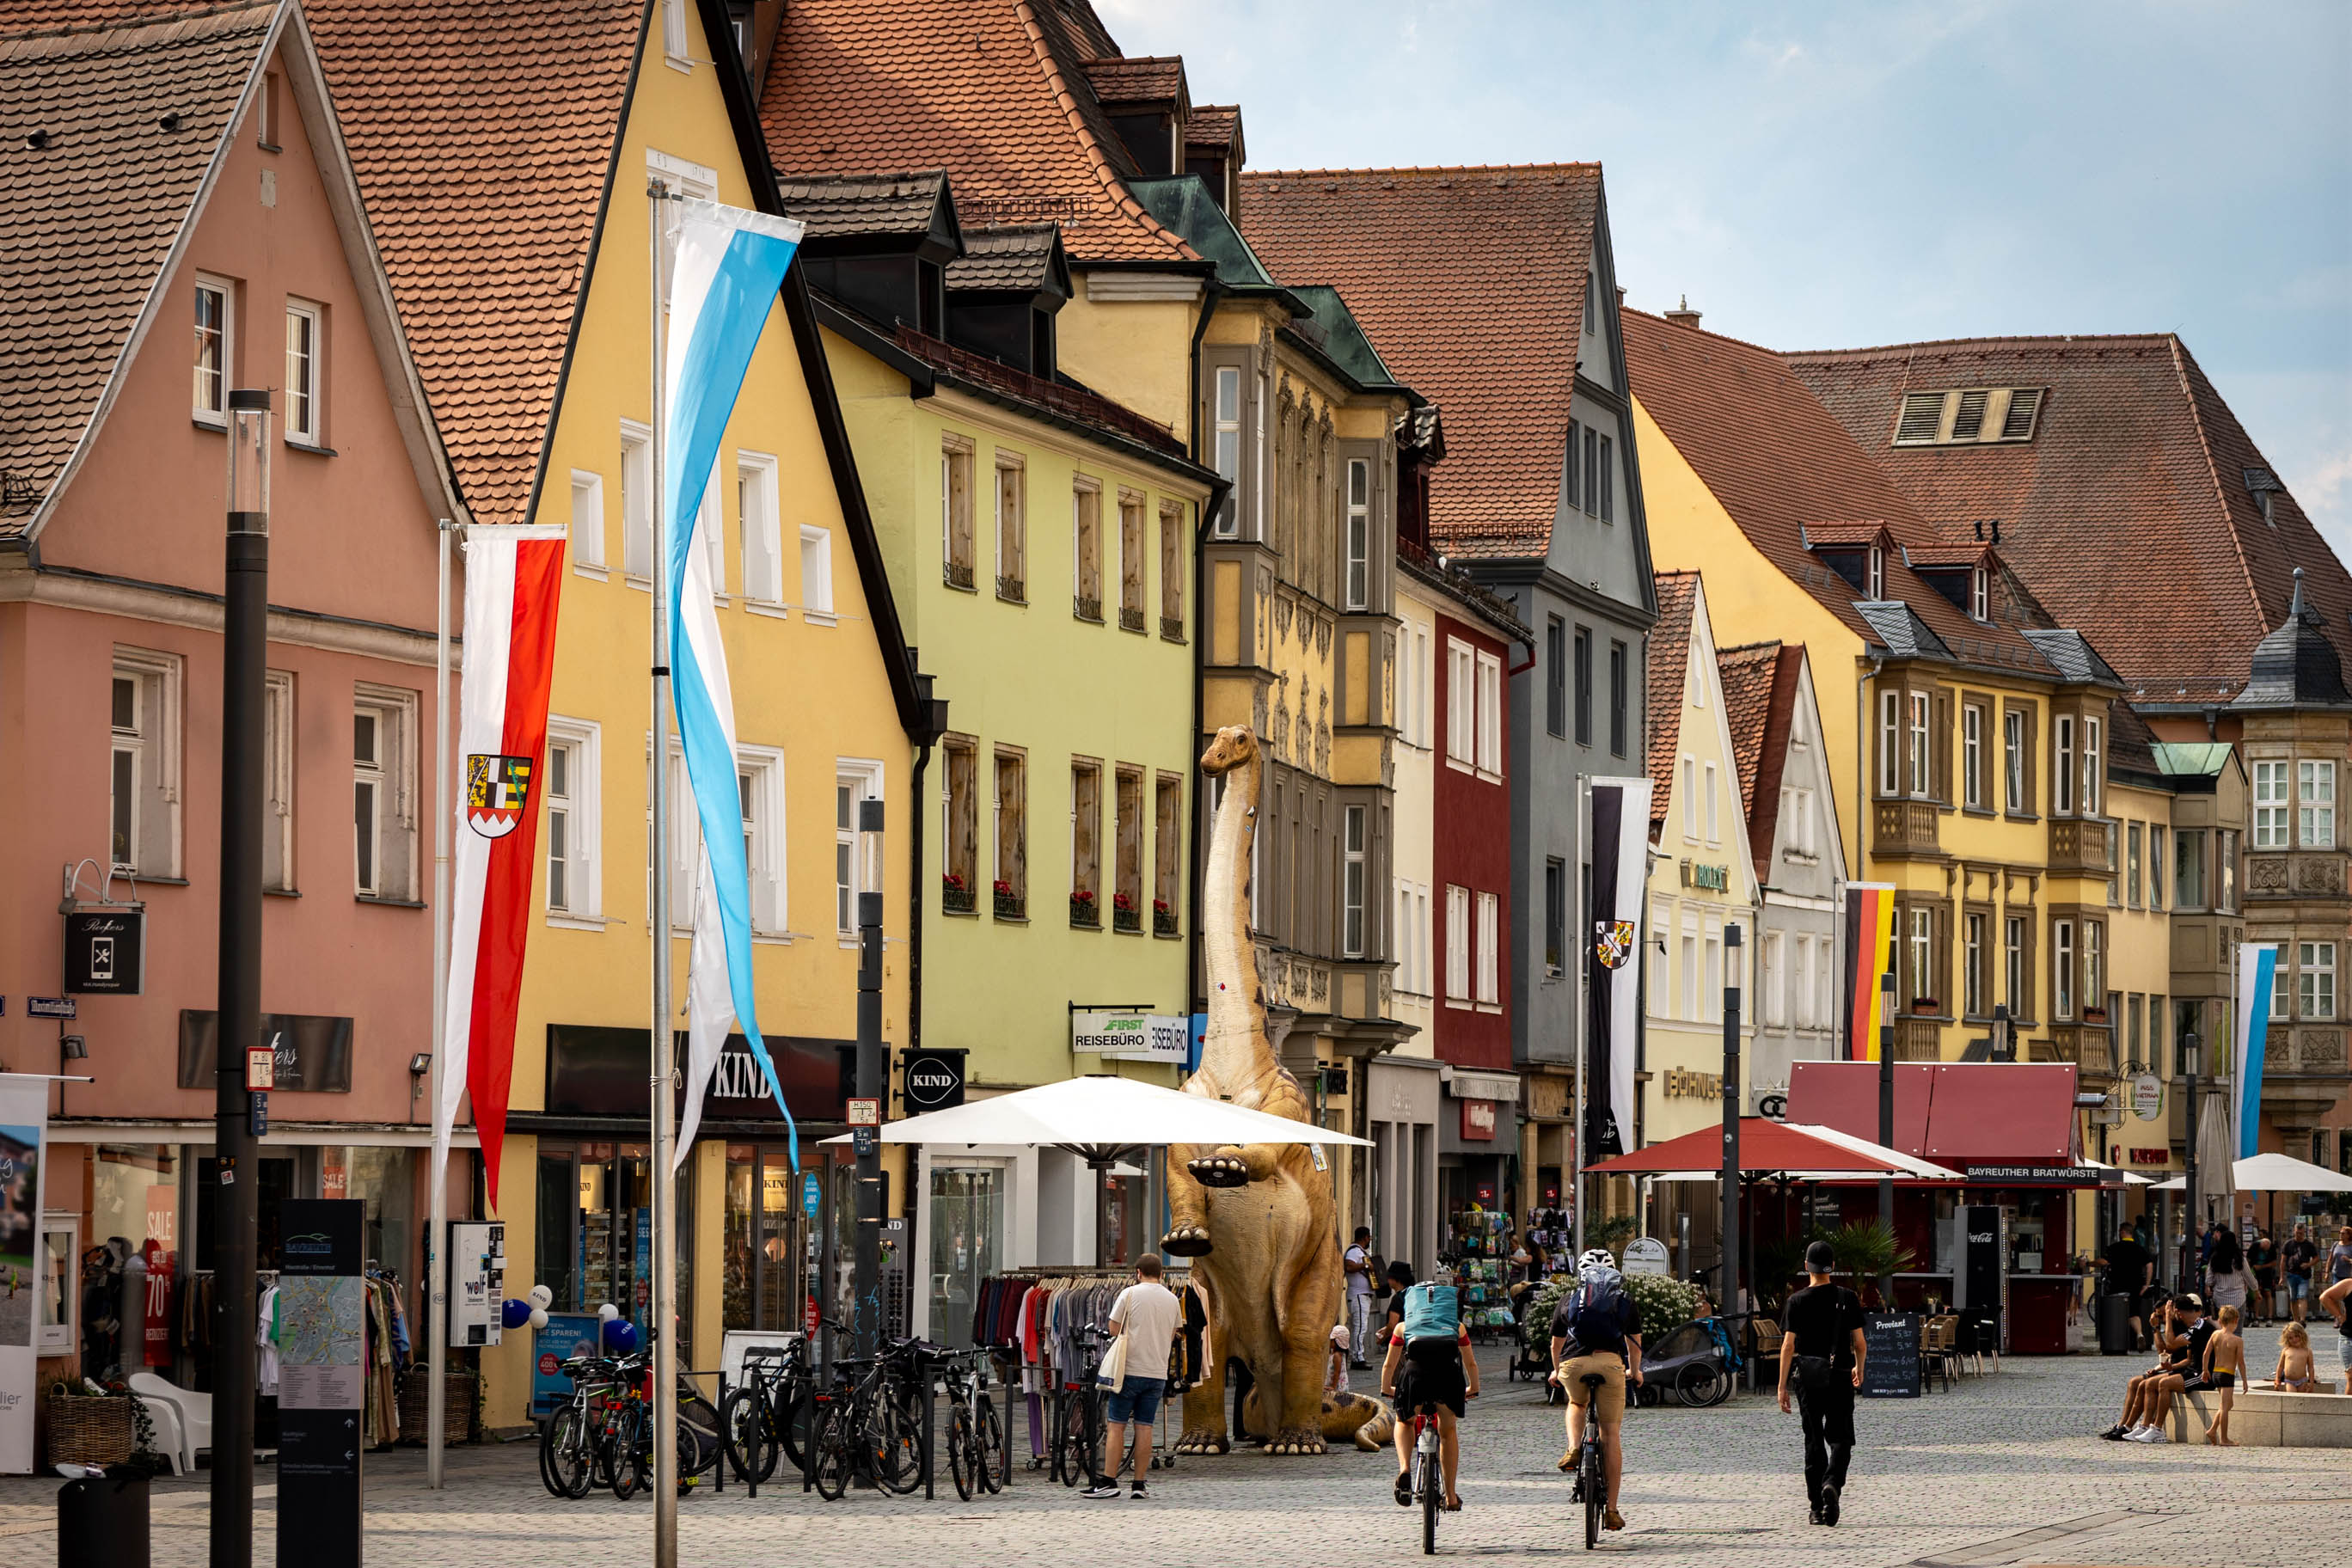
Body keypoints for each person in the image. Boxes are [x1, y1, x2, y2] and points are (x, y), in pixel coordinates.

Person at [1551, 1246, 1645, 1534]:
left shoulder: (1569, 1299)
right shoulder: (1624, 1299)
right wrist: (1635, 1371)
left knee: (1577, 1404)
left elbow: (1555, 1343)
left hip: (1574, 1364)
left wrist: (1557, 1370)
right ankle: (1613, 1511)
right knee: (1611, 1433)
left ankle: (1574, 1448)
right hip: (1611, 1364)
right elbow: (1634, 1343)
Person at [1777, 1239, 1866, 1528]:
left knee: (1813, 1441)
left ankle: (1816, 1508)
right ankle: (1832, 1483)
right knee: (1841, 1439)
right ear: (1833, 1267)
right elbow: (1860, 1343)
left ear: (1806, 1267)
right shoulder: (1847, 1297)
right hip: (1840, 1374)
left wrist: (1781, 1386)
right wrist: (1859, 1368)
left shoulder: (1796, 1301)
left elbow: (1788, 1346)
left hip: (1808, 1377)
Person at [1380, 1265, 1479, 1513]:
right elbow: (1471, 1363)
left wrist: (1387, 1389)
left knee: (1404, 1421)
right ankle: (1452, 1495)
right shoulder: (1456, 1327)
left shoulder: (1404, 1328)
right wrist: (1473, 1388)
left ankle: (1404, 1468)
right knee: (1447, 1432)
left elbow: (1389, 1364)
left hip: (1414, 1378)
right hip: (1448, 1378)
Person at [1084, 1254, 1181, 1500]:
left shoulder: (1129, 1294)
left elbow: (1114, 1328)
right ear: (1161, 1273)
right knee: (1145, 1427)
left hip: (1128, 1370)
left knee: (1116, 1425)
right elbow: (1172, 1335)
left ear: (1138, 1272)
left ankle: (1108, 1481)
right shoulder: (1172, 1300)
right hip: (1156, 1372)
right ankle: (1139, 1484)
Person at [2105, 1294, 2213, 1442]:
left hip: (2202, 1374)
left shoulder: (2198, 1326)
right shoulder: (2194, 1326)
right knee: (2147, 1383)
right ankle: (2141, 1426)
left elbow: (2171, 1344)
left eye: (2167, 1313)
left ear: (2178, 1312)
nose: (2165, 1317)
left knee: (2163, 1384)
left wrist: (2166, 1320)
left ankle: (2157, 1429)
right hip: (2191, 1371)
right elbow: (2171, 1351)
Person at [2101, 1226, 2153, 1351]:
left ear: (2123, 1232)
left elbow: (2103, 1262)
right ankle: (2140, 1334)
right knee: (2134, 1313)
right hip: (2136, 1285)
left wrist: (2089, 1263)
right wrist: (2146, 1284)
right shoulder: (2139, 1248)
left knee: (2118, 1312)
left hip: (2117, 1284)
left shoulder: (2115, 1247)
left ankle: (2119, 1340)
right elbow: (2149, 1265)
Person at [2202, 1305, 2244, 1446]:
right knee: (2225, 1407)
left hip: (2216, 1373)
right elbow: (2241, 1363)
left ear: (2220, 1321)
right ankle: (2224, 1438)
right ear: (2236, 1320)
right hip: (2227, 1375)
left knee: (2227, 1404)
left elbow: (2206, 1353)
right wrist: (2245, 1380)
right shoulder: (2237, 1340)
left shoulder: (2215, 1335)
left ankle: (2213, 1430)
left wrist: (2205, 1370)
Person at [1343, 1226, 1376, 1368]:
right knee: (1360, 1327)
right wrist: (1366, 1266)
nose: (1369, 1240)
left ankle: (1358, 1355)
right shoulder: (1354, 1251)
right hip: (1358, 1295)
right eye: (1369, 1237)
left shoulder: (1360, 1252)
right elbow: (1349, 1267)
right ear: (1365, 1237)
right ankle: (1357, 1358)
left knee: (1361, 1327)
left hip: (1362, 1296)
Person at [2323, 1274, 2352, 1395]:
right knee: (2351, 1379)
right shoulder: (2348, 1284)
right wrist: (2339, 1316)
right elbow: (2325, 1297)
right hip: (2349, 1338)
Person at [2272, 1320, 2319, 1392]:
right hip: (2289, 1381)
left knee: (2301, 1399)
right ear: (2287, 1339)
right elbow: (2281, 1366)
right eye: (2290, 1338)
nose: (2294, 1340)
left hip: (2302, 1380)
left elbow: (2311, 1368)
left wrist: (2311, 1383)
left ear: (2302, 1335)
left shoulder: (2307, 1351)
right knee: (2292, 1397)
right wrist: (2277, 1379)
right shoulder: (2286, 1350)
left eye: (2296, 1336)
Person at [2284, 1223, 2318, 1323]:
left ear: (2304, 1232)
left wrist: (2308, 1264)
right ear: (2294, 1232)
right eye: (2297, 1233)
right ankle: (2296, 1320)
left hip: (2304, 1275)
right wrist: (2282, 1276)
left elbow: (2316, 1258)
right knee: (2293, 1298)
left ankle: (2302, 1320)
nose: (2299, 1235)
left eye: (2301, 1233)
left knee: (2302, 1296)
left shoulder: (2309, 1244)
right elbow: (2283, 1260)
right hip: (2291, 1274)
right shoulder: (2288, 1244)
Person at [2248, 1230, 2278, 1326]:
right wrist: (2249, 1273)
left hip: (2267, 1273)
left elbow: (2274, 1263)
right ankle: (2256, 1318)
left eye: (2267, 1250)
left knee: (2268, 1293)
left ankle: (2269, 1318)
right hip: (2255, 1274)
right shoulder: (2254, 1246)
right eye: (2264, 1249)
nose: (2266, 1251)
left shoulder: (2271, 1247)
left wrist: (2262, 1267)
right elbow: (2248, 1261)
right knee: (2257, 1294)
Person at [1326, 1321, 1351, 1395]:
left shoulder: (1337, 1356)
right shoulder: (1335, 1354)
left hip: (1338, 1388)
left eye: (1332, 1340)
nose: (1330, 1342)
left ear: (1337, 1342)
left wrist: (1333, 1387)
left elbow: (1337, 1372)